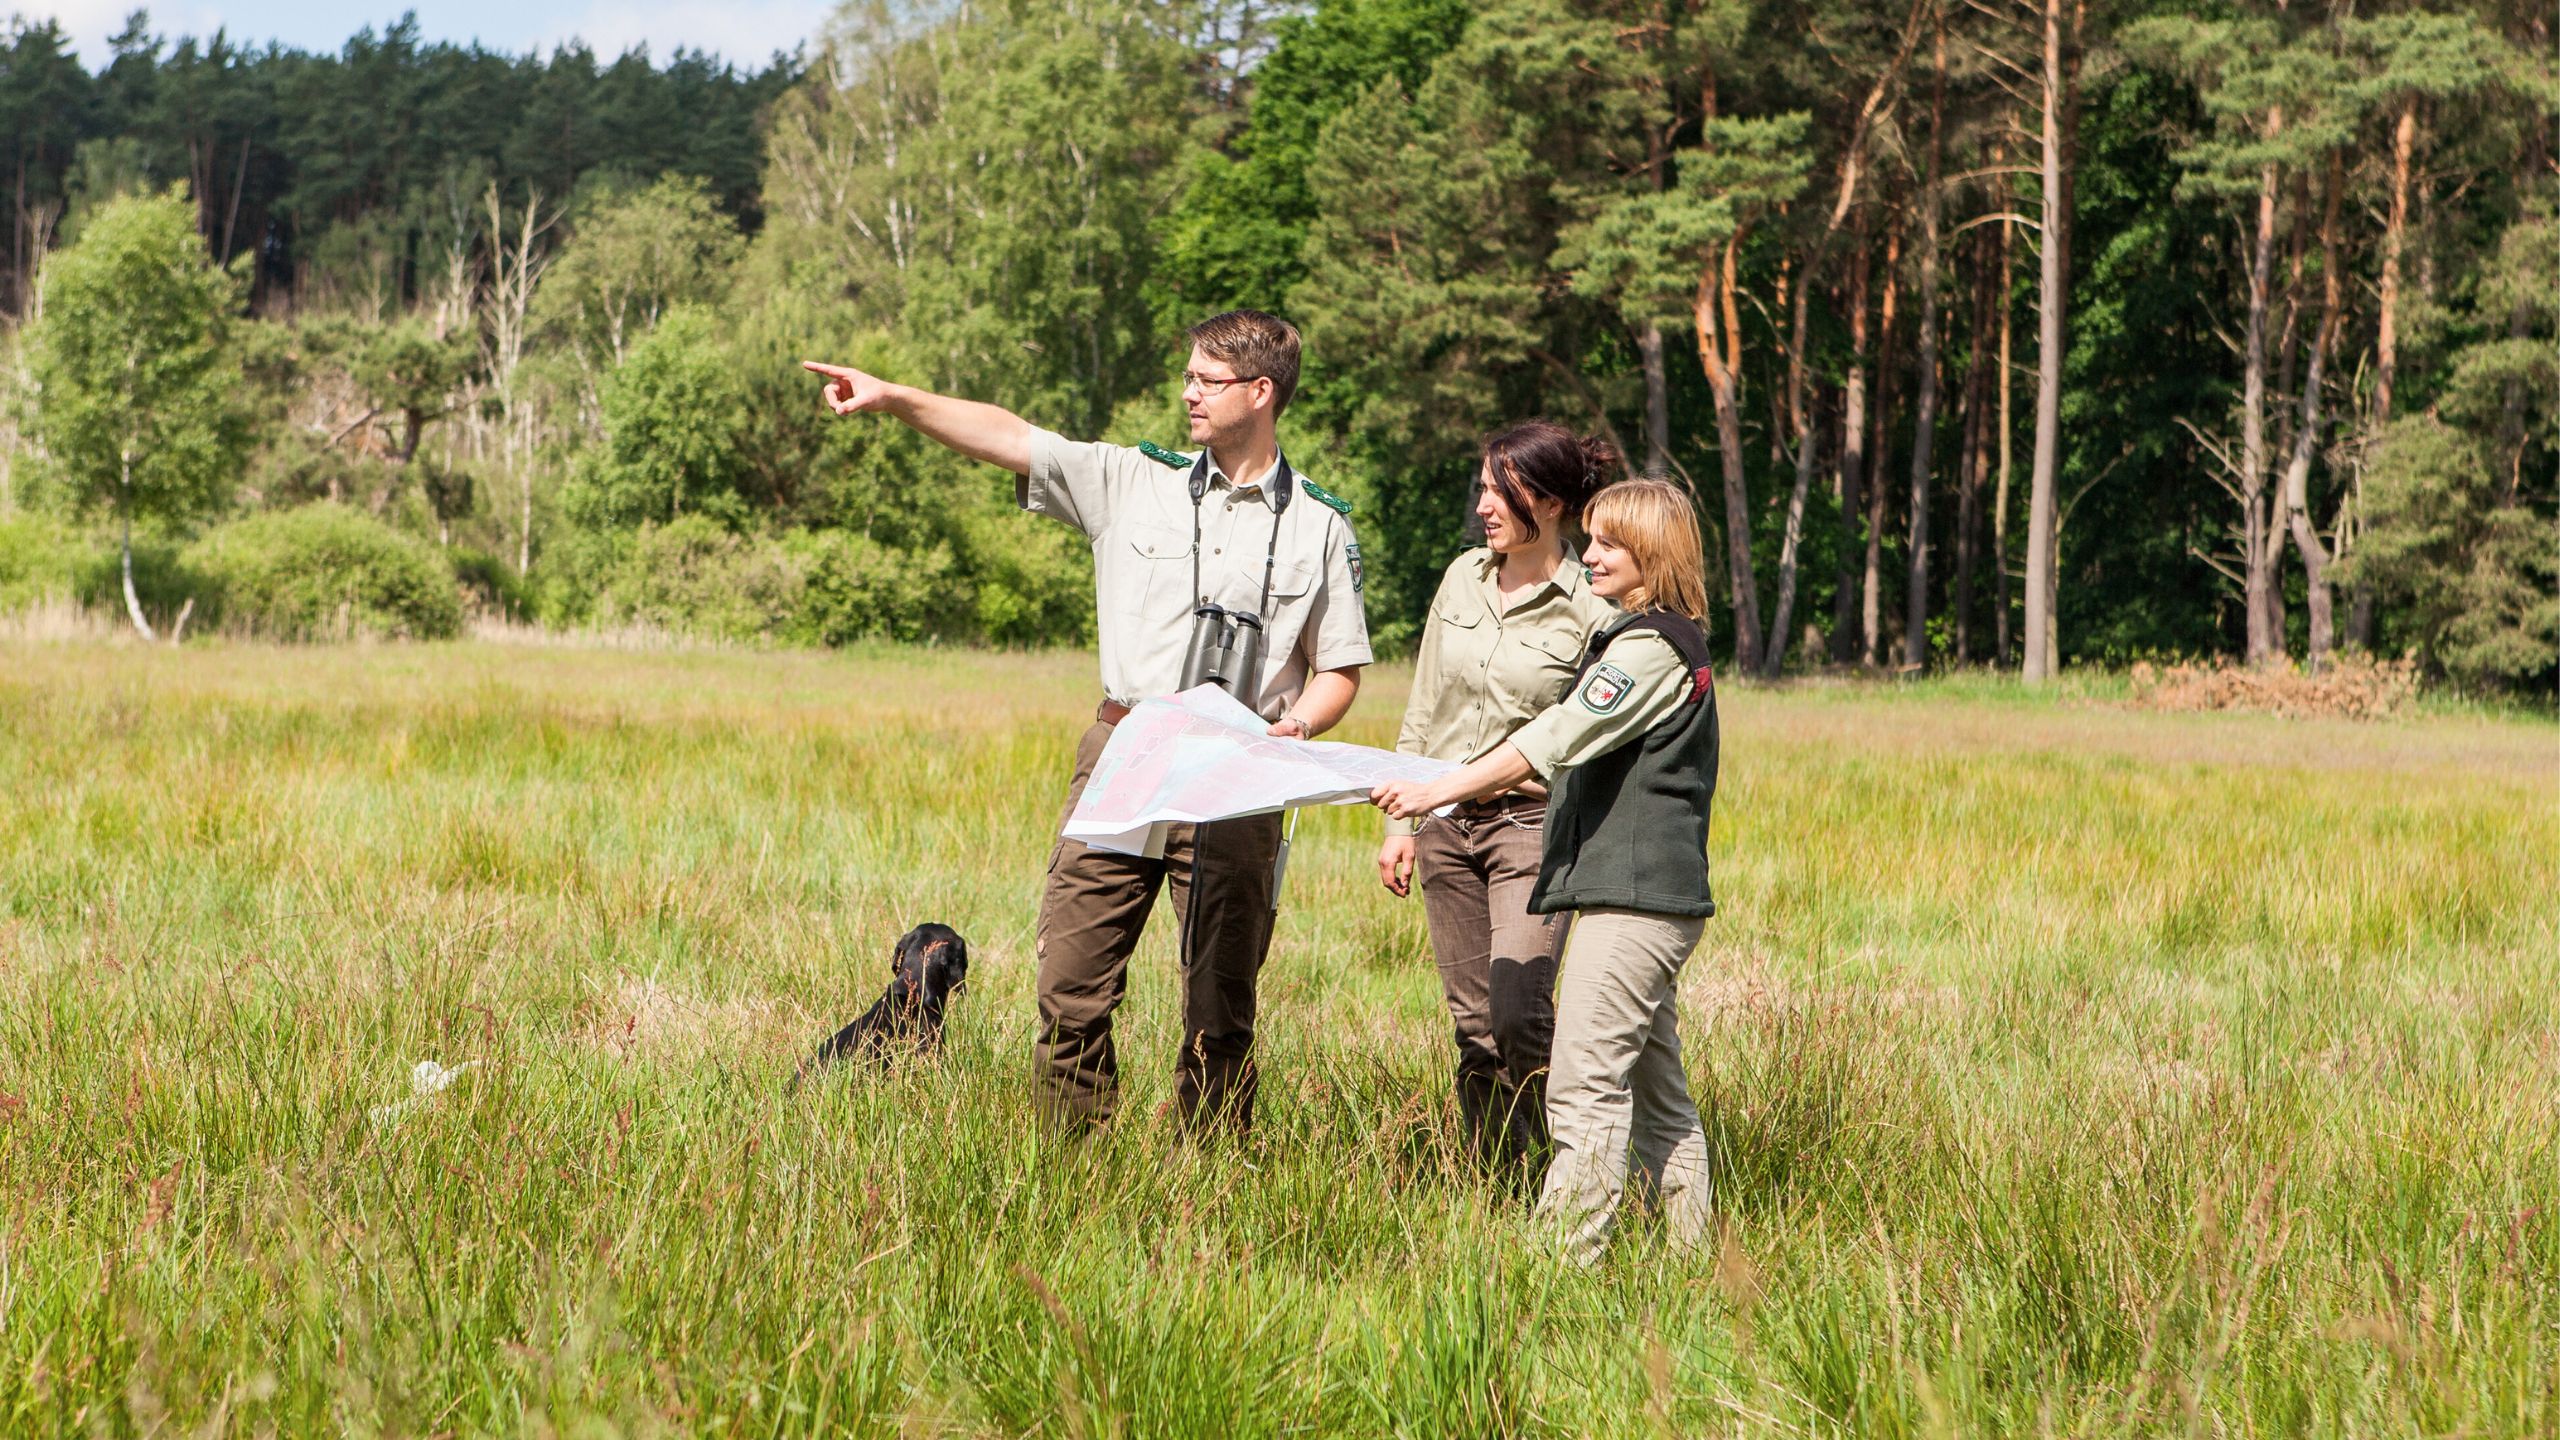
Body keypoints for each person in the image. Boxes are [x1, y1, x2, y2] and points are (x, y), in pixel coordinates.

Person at [802, 311, 1372, 1132]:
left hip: (1240, 771)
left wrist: (1295, 729)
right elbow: (1009, 436)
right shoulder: (1130, 480)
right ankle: (1076, 1173)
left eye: (1206, 381)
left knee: (1220, 1012)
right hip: (1127, 750)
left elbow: (1340, 670)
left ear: (1261, 391)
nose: (1187, 394)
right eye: (1186, 376)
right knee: (1070, 987)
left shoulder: (1321, 526)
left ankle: (1212, 1183)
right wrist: (893, 398)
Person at [1372, 478, 1719, 1263]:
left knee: (1582, 1087)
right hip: (1637, 896)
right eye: (1589, 539)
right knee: (1660, 1097)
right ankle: (1693, 1266)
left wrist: (1437, 787)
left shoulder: (1650, 647)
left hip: (1633, 902)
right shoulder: (1655, 638)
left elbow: (1557, 734)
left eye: (1606, 544)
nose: (1588, 555)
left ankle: (1560, 1267)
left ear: (1652, 555)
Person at [1377, 421, 1618, 1179]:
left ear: (1546, 503)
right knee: (1475, 1025)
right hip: (1446, 825)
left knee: (1520, 1013)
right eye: (1481, 487)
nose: (1482, 504)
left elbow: (1591, 740)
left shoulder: (1591, 610)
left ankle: (1570, 1175)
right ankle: (1494, 1183)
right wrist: (1404, 820)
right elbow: (1426, 703)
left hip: (1530, 827)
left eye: (1498, 490)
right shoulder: (1461, 577)